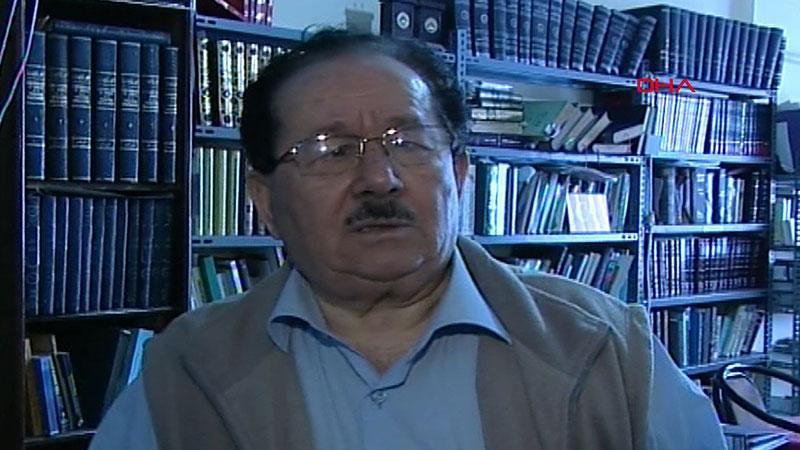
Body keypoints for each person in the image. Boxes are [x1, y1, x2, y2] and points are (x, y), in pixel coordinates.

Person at [90, 30, 726, 450]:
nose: (379, 179)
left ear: (459, 173)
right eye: (331, 150)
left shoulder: (608, 350)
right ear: (265, 202)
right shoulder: (187, 373)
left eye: (409, 142)